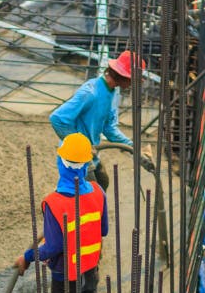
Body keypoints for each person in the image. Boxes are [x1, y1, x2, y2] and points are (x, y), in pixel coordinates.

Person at [14, 133, 108, 293]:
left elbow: (52, 247)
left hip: (64, 273)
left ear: (61, 163)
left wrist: (27, 256)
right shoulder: (98, 192)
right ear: (86, 165)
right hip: (90, 264)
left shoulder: (53, 202)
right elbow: (103, 229)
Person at [49, 49, 152, 191]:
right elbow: (57, 118)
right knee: (88, 194)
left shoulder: (113, 92)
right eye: (132, 80)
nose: (132, 84)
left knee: (103, 182)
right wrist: (80, 145)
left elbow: (109, 128)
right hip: (74, 157)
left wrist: (133, 147)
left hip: (91, 153)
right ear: (123, 76)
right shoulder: (90, 93)